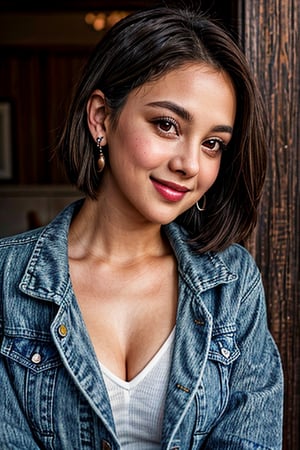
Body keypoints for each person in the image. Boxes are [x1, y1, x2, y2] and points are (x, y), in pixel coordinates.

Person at [0, 4, 284, 449]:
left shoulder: (232, 284)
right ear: (101, 118)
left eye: (213, 144)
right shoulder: (6, 280)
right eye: (167, 125)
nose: (189, 164)